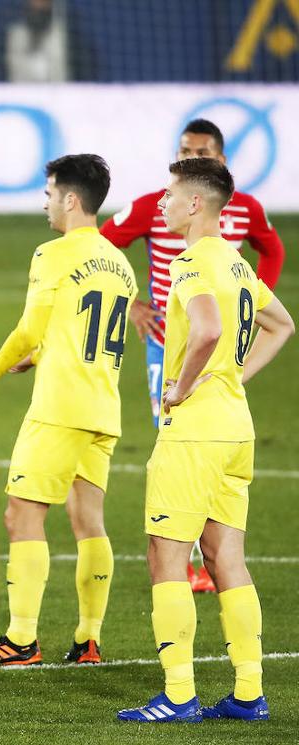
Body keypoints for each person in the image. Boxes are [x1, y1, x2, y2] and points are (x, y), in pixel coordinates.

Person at [118, 158, 293, 723]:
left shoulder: (191, 261)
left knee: (165, 555)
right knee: (226, 558)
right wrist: (233, 377)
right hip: (235, 428)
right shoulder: (238, 264)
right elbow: (282, 325)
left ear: (195, 203)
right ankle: (248, 694)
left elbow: (209, 327)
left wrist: (183, 386)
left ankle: (178, 696)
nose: (162, 204)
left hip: (194, 432)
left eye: (169, 195)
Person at [0, 154, 135, 667]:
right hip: (103, 407)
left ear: (71, 200)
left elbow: (30, 328)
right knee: (89, 520)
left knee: (21, 515)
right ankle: (88, 639)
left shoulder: (53, 254)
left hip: (60, 407)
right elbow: (84, 332)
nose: (46, 204)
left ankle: (21, 640)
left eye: (50, 194)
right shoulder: (120, 264)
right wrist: (38, 357)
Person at [101, 117, 285, 593]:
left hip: (204, 354)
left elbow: (270, 254)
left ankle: (183, 556)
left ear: (218, 160)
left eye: (199, 152)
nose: (189, 158)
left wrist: (249, 304)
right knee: (188, 445)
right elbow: (102, 247)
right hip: (175, 345)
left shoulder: (206, 245)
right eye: (185, 150)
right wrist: (132, 303)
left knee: (182, 445)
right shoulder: (165, 213)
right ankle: (206, 559)